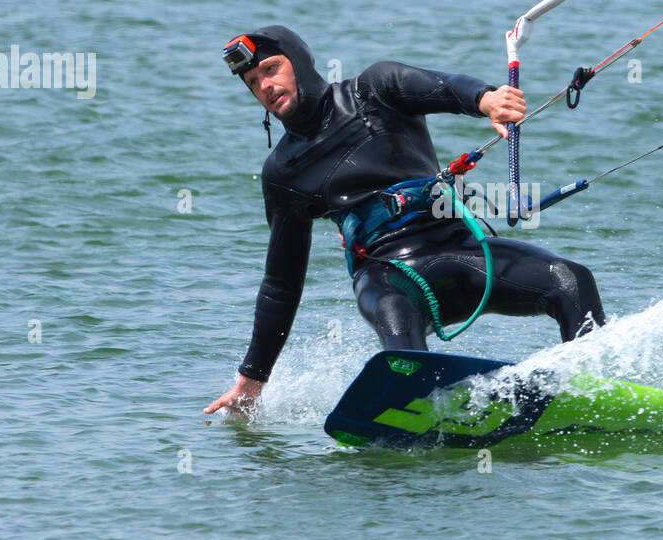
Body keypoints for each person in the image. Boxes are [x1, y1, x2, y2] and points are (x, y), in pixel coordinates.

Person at [204, 25, 605, 415]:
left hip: (461, 250)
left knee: (570, 279)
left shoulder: (375, 89)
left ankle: (594, 391)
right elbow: (281, 284)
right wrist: (252, 379)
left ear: (300, 63)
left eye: (271, 69)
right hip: (387, 274)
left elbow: (446, 88)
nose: (265, 87)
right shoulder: (284, 172)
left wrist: (486, 100)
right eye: (254, 83)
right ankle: (422, 412)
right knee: (396, 317)